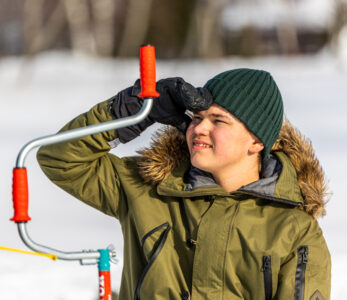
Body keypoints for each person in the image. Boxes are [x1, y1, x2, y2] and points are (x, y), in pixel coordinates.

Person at [37, 68, 331, 300]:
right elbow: (59, 158)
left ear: (256, 141)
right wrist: (132, 111)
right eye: (198, 117)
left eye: (218, 121)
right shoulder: (147, 189)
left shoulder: (294, 230)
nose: (199, 128)